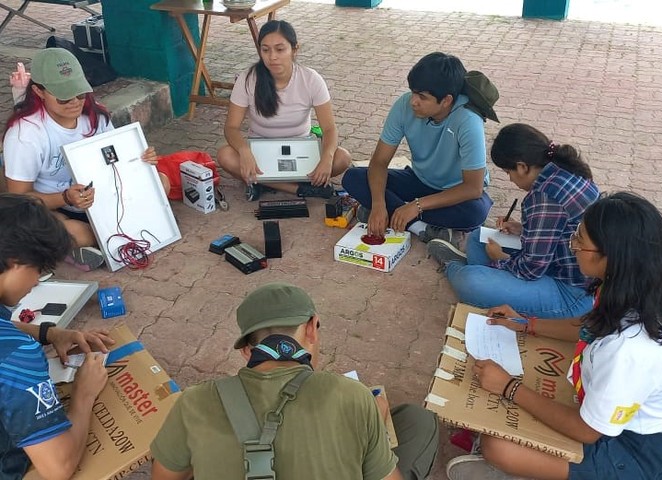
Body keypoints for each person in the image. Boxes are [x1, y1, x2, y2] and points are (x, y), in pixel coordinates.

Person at [446, 192, 662, 480]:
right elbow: (589, 325)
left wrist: (508, 388)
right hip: (615, 417)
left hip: (629, 451)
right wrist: (526, 324)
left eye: (580, 241)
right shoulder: (636, 287)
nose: (573, 246)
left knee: (497, 447)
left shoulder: (629, 348)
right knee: (530, 386)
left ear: (611, 255)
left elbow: (587, 432)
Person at [151, 282, 439, 480]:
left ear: (246, 351)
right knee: (418, 420)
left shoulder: (192, 402)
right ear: (312, 329)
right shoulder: (352, 396)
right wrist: (369, 422)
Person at [2, 48, 169, 271]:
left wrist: (140, 158)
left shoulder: (95, 115)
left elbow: (115, 158)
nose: (75, 102)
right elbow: (20, 199)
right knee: (77, 233)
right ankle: (77, 243)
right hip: (56, 204)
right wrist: (65, 198)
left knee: (162, 181)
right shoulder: (26, 134)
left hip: (103, 196)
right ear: (39, 92)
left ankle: (88, 238)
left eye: (80, 93)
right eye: (63, 97)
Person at [429, 123, 599, 319]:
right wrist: (523, 228)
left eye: (508, 173)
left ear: (522, 167)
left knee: (471, 281)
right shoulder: (566, 170)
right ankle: (482, 273)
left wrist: (499, 259)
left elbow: (531, 269)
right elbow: (559, 230)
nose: (510, 180)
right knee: (478, 237)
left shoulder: (543, 195)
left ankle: (454, 266)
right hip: (559, 266)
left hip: (571, 293)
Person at [0, 193, 114, 480]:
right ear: (15, 261)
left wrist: (50, 333)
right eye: (38, 269)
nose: (37, 281)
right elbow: (57, 468)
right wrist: (83, 394)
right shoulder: (17, 354)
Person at [341, 52, 495, 245]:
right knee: (353, 178)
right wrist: (379, 204)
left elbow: (473, 187)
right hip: (420, 181)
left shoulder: (468, 120)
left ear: (446, 100)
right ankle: (420, 227)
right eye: (413, 92)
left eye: (422, 97)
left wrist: (416, 206)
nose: (413, 101)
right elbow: (379, 162)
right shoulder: (404, 106)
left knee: (475, 213)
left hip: (456, 191)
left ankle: (399, 214)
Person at [217, 20, 351, 201]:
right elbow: (231, 127)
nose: (272, 57)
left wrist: (326, 158)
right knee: (225, 155)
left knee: (342, 157)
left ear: (295, 49)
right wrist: (244, 151)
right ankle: (299, 189)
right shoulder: (247, 79)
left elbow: (329, 129)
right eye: (265, 50)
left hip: (300, 150)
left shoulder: (311, 79)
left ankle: (262, 183)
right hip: (260, 151)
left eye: (280, 49)